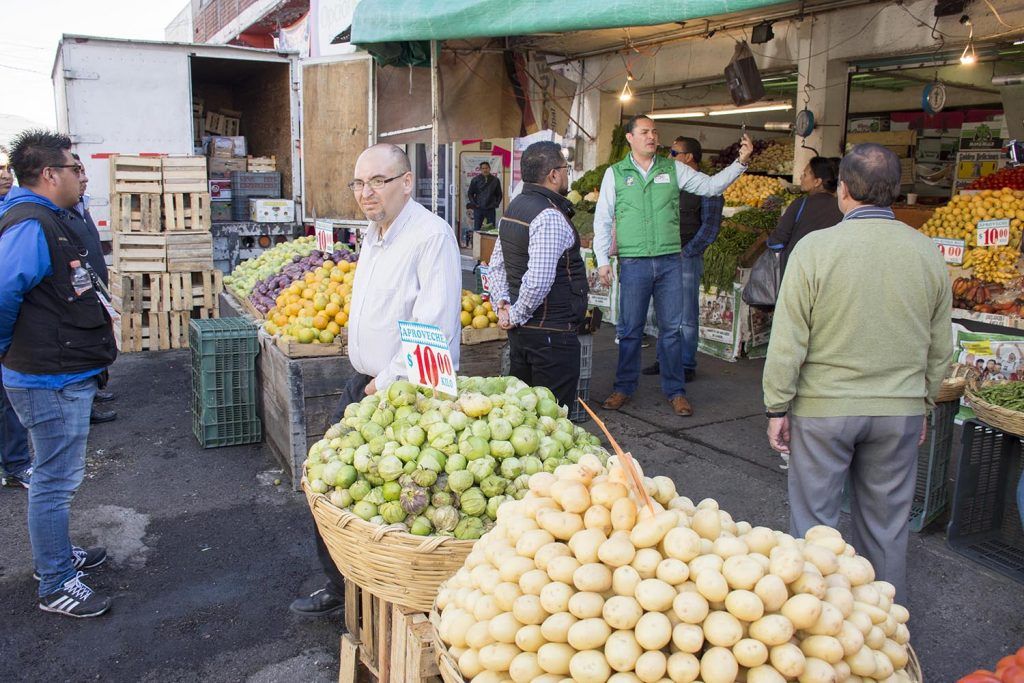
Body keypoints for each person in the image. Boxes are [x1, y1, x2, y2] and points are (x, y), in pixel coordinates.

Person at [762, 143, 953, 603]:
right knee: (886, 526)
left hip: (824, 410)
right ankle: (885, 629)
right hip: (898, 412)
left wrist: (777, 405)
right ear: (896, 191)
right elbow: (941, 347)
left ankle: (815, 628)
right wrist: (923, 402)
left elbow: (788, 341)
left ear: (843, 190)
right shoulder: (926, 252)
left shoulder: (815, 249)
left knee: (814, 527)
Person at [291, 143, 462, 617]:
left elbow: (434, 332)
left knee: (393, 502)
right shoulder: (373, 233)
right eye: (359, 183)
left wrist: (381, 382)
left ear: (407, 182)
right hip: (366, 381)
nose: (366, 193)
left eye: (378, 181)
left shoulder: (431, 236)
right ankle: (342, 587)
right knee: (333, 490)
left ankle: (383, 602)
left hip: (406, 393)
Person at [0, 130, 115, 617]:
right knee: (54, 479)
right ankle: (55, 583)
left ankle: (57, 557)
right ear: (49, 174)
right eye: (74, 167)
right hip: (48, 377)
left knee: (57, 475)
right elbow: (4, 292)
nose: (80, 175)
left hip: (59, 369)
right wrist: (11, 349)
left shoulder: (47, 217)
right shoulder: (29, 224)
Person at [594, 114, 753, 416]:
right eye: (644, 132)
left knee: (672, 331)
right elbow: (603, 218)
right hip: (634, 261)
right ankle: (623, 387)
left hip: (669, 261)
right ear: (630, 138)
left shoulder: (673, 168)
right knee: (630, 330)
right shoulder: (615, 173)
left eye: (654, 132)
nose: (651, 137)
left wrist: (740, 163)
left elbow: (710, 187)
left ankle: (675, 390)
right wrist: (602, 261)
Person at [487, 141, 588, 408]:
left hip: (523, 336)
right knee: (550, 420)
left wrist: (503, 306)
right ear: (554, 175)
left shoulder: (515, 207)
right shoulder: (549, 216)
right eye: (565, 169)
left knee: (524, 414)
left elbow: (496, 265)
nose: (567, 175)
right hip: (551, 338)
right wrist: (514, 315)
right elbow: (539, 280)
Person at [642, 137, 724, 381]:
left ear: (689, 157)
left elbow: (710, 227)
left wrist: (687, 252)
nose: (669, 157)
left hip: (686, 257)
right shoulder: (670, 182)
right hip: (662, 255)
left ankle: (686, 364)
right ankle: (663, 359)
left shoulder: (708, 187)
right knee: (661, 311)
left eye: (674, 152)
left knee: (686, 315)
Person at [68, 154, 117, 424]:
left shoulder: (80, 207)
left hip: (94, 285)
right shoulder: (59, 213)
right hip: (80, 292)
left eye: (84, 171)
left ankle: (94, 391)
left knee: (98, 338)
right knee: (84, 344)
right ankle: (85, 405)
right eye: (78, 172)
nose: (84, 178)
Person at [0, 144, 33, 490]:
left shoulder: (16, 210)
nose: (3, 174)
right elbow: (8, 285)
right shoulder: (25, 221)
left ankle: (15, 461)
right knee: (8, 402)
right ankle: (16, 464)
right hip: (13, 337)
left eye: (5, 168)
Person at [766, 156, 843, 277]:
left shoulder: (800, 204)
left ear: (817, 182)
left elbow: (777, 242)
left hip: (797, 274)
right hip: (828, 275)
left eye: (805, 175)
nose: (801, 177)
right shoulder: (842, 207)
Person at [467, 161, 503, 243]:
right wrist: (474, 204)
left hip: (490, 208)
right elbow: (470, 193)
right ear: (480, 170)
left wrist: (495, 204)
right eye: (483, 168)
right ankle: (476, 247)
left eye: (486, 168)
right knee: (477, 229)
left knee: (491, 229)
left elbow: (499, 195)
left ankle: (490, 246)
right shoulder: (475, 180)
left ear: (489, 169)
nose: (485, 170)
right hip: (478, 209)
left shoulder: (495, 180)